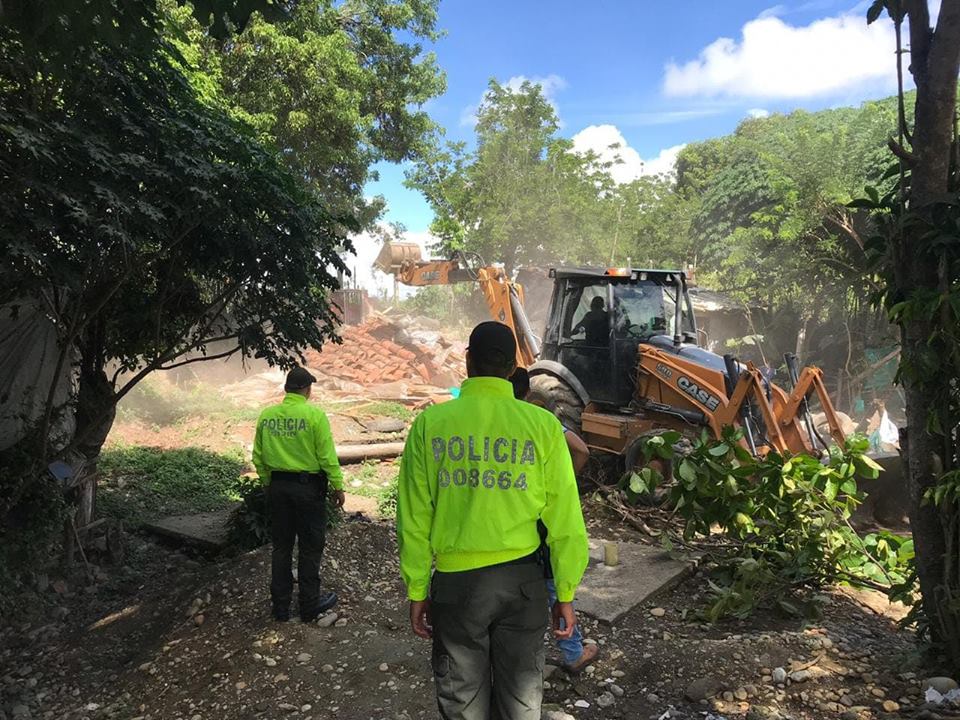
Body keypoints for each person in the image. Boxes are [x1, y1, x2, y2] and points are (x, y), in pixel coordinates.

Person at [397, 322, 589, 720]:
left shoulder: (431, 425)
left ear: (468, 361)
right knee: (520, 701)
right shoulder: (543, 427)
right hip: (523, 586)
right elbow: (566, 521)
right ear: (512, 368)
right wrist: (566, 593)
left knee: (462, 701)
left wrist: (417, 589)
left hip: (457, 586)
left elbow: (413, 518)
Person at [509, 368, 598, 674]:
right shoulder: (542, 424)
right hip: (542, 517)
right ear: (526, 393)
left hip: (509, 525)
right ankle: (573, 651)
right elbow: (581, 449)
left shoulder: (494, 425)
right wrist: (564, 482)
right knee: (553, 585)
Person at [252, 366, 346, 623]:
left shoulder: (267, 416)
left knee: (281, 547)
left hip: (279, 488)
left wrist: (268, 482)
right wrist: (338, 485)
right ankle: (309, 606)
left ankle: (280, 608)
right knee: (310, 547)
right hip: (307, 489)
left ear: (286, 389)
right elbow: (326, 455)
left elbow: (258, 456)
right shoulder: (314, 415)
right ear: (307, 389)